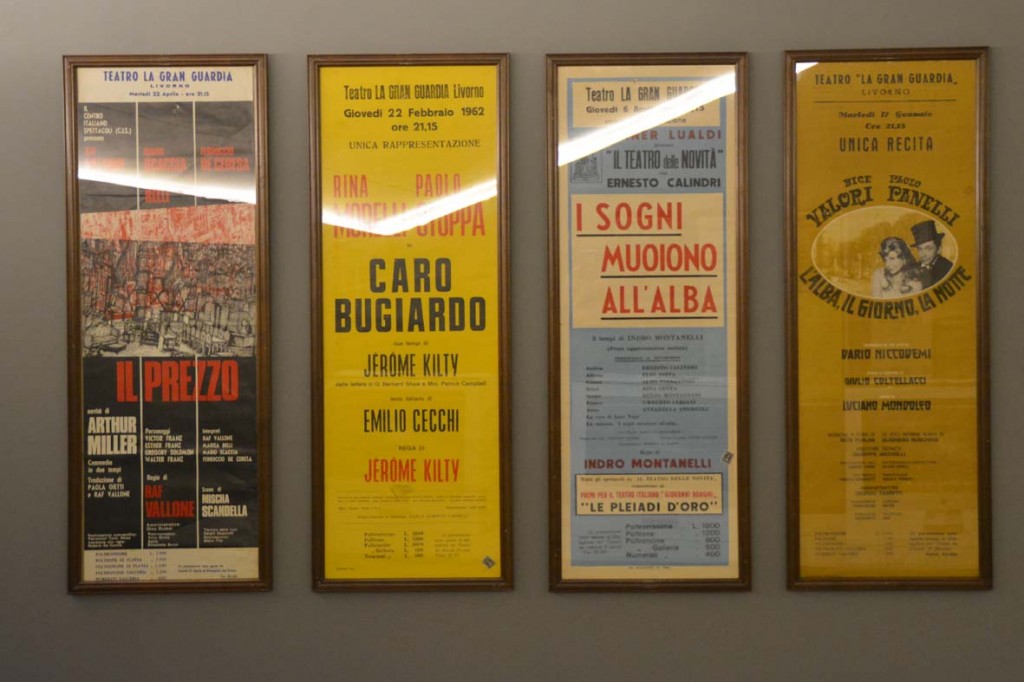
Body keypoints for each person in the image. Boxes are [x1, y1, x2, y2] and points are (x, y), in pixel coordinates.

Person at [910, 219, 953, 287]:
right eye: (920, 249)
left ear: (939, 249)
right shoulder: (912, 269)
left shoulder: (947, 268)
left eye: (928, 249)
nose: (923, 255)